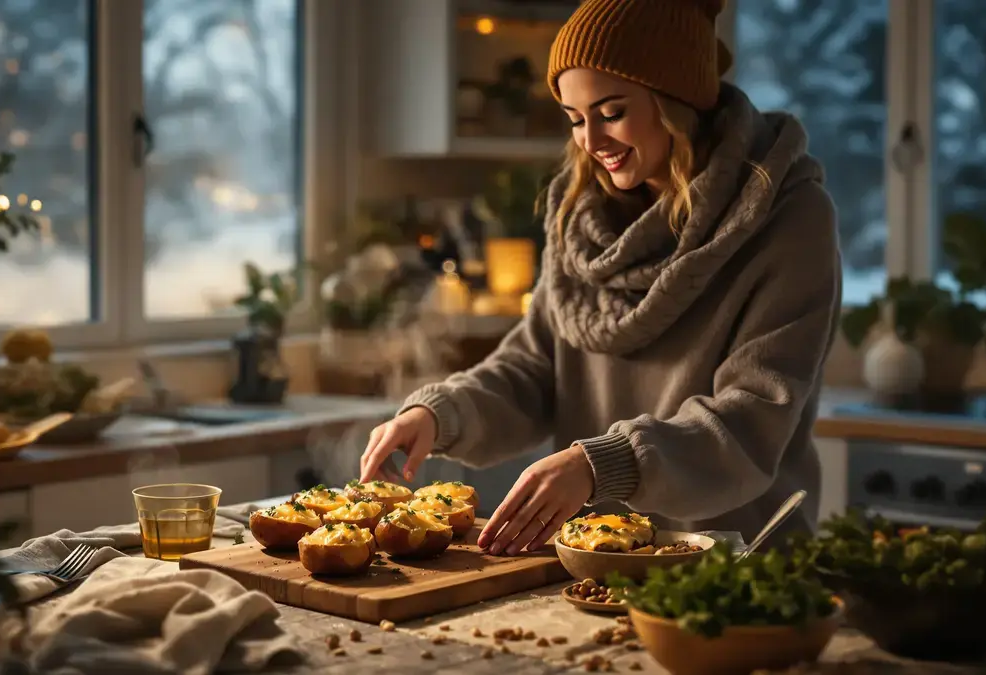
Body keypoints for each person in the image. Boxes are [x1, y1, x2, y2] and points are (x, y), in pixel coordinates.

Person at [360, 0, 842, 556]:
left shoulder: (789, 219)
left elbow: (750, 423)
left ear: (677, 101)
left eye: (611, 112)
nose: (590, 140)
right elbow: (534, 367)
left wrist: (603, 464)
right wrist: (440, 414)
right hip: (598, 563)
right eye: (574, 118)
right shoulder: (580, 217)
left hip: (739, 567)